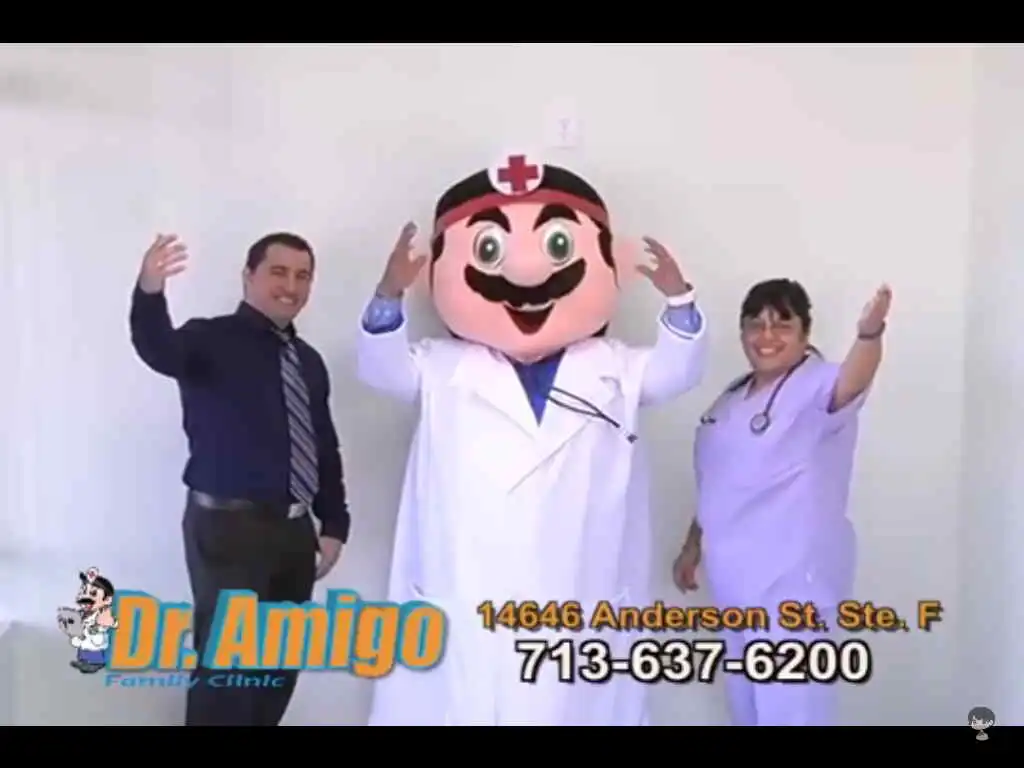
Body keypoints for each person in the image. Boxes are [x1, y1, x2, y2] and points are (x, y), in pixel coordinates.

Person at [357, 153, 709, 726]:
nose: (524, 274)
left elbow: (677, 371)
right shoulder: (442, 366)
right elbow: (380, 368)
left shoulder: (613, 367)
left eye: (557, 246)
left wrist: (680, 301)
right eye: (490, 249)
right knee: (468, 699)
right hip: (469, 583)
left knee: (571, 704)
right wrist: (387, 295)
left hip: (578, 585)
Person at [128, 232, 350, 726]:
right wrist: (149, 291)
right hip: (227, 531)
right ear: (248, 276)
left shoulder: (308, 361)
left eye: (303, 276)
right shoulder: (209, 339)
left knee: (277, 669)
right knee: (228, 675)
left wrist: (334, 523)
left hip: (294, 534)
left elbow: (323, 445)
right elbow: (157, 348)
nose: (291, 286)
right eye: (278, 272)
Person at [673, 277, 892, 727]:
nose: (766, 336)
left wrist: (869, 334)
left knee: (793, 713)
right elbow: (720, 480)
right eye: (755, 324)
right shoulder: (730, 399)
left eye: (782, 325)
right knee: (747, 710)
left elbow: (855, 378)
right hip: (735, 586)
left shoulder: (818, 385)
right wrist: (693, 545)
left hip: (794, 587)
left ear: (805, 333)